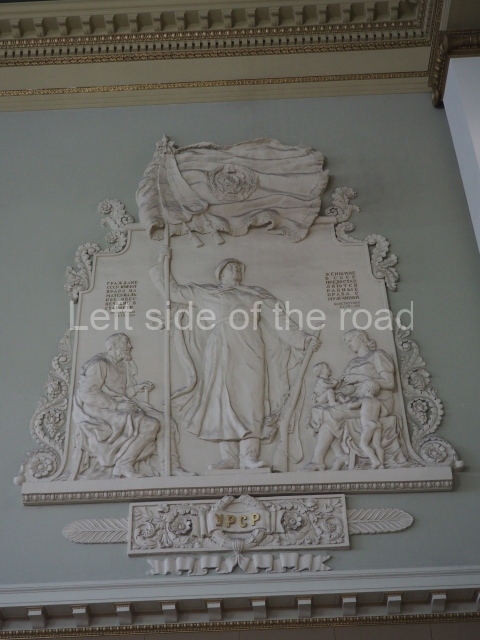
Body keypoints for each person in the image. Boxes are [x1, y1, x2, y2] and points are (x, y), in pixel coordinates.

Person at [150, 249, 314, 472]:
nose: (236, 270)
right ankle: (229, 458)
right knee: (222, 402)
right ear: (221, 274)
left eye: (239, 268)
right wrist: (163, 264)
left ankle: (249, 456)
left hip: (250, 348)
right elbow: (174, 292)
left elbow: (280, 321)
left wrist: (303, 340)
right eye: (231, 267)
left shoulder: (255, 295)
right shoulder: (206, 293)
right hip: (220, 349)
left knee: (251, 400)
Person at [71, 333, 192, 479]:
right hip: (100, 411)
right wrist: (116, 406)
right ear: (114, 346)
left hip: (118, 406)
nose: (130, 346)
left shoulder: (120, 365)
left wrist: (136, 389)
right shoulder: (100, 364)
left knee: (165, 421)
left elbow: (118, 393)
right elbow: (87, 393)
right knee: (150, 424)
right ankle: (124, 464)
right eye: (126, 343)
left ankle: (171, 466)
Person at [305, 329, 407, 471]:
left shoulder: (377, 355)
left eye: (350, 340)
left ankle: (318, 461)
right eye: (347, 342)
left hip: (376, 401)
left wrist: (360, 378)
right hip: (355, 400)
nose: (348, 344)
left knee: (329, 413)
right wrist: (322, 394)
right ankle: (339, 455)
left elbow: (390, 383)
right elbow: (343, 387)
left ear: (361, 338)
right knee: (318, 410)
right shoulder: (353, 362)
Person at [347, 378, 385, 469]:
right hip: (377, 423)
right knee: (377, 444)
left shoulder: (363, 399)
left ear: (367, 389)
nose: (361, 389)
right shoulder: (378, 401)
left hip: (368, 424)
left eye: (363, 387)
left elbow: (351, 406)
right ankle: (382, 464)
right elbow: (386, 412)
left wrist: (350, 400)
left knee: (363, 444)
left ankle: (375, 461)